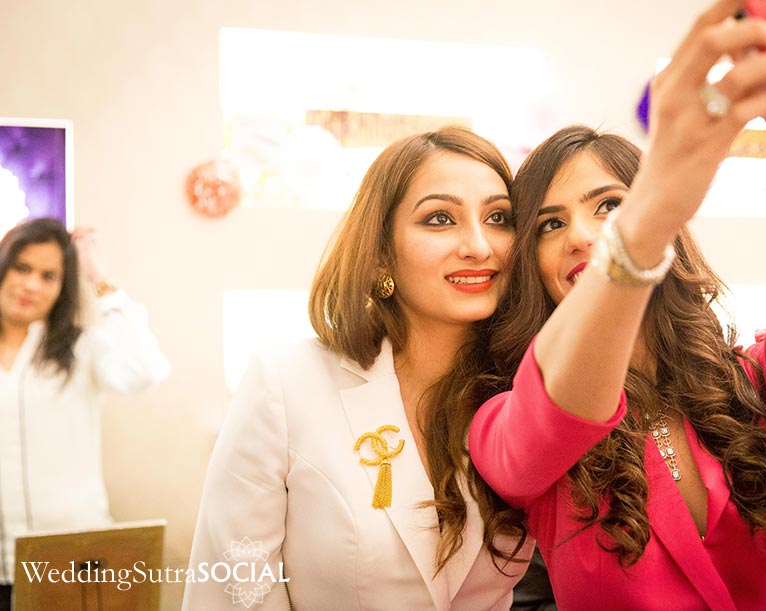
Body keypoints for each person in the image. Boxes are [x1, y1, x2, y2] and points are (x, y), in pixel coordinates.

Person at [469, 0, 766, 609]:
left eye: (609, 205)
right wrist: (647, 215)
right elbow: (557, 411)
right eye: (549, 224)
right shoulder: (500, 423)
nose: (582, 237)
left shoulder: (757, 389)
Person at [183, 127, 533, 610]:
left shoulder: (525, 395)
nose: (479, 245)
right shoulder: (285, 383)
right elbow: (232, 592)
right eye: (439, 219)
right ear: (381, 253)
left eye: (498, 218)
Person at [0, 218, 170, 610]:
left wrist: (102, 280)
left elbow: (145, 370)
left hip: (68, 563)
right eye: (21, 268)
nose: (31, 285)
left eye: (48, 276)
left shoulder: (80, 349)